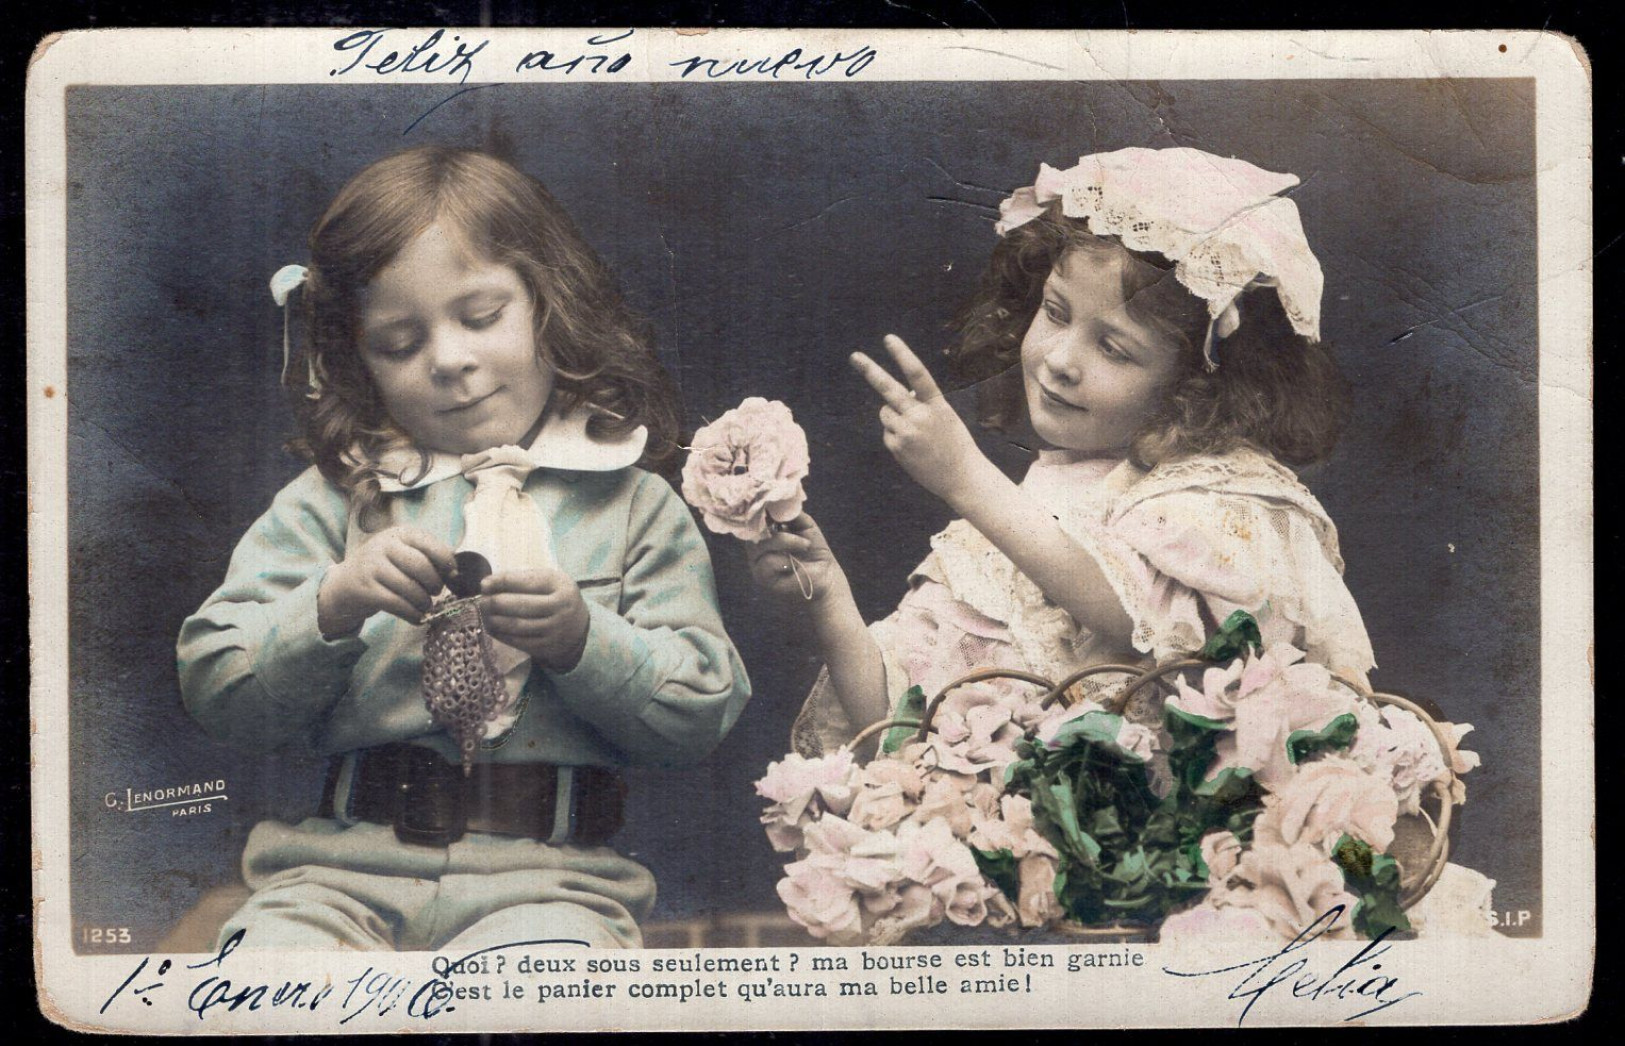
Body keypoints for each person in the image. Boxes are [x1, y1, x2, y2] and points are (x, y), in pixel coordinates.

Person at [177, 146, 750, 951]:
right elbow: (217, 687)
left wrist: (585, 640)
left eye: (480, 318)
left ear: (549, 305)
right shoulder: (335, 497)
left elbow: (701, 713)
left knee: (546, 998)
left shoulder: (631, 504)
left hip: (553, 887)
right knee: (268, 980)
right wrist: (332, 604)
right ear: (357, 359)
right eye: (398, 343)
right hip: (334, 879)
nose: (449, 360)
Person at [745, 146, 1374, 759]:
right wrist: (827, 598)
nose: (1059, 360)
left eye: (1114, 348)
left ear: (1197, 386)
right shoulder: (1034, 502)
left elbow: (1130, 614)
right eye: (1054, 312)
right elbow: (900, 728)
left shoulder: (1212, 498)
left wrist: (965, 478)